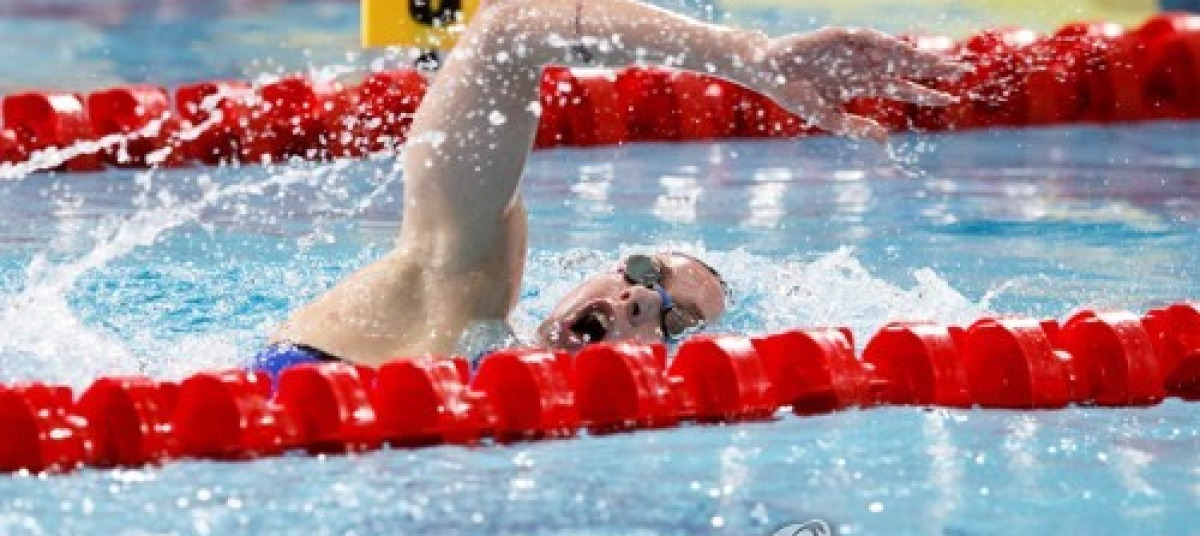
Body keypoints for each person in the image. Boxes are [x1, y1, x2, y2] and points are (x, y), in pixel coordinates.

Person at [253, 0, 964, 378]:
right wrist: (752, 57)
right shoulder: (459, 279)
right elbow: (506, 30)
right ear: (581, 276)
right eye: (642, 272)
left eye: (673, 319)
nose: (635, 297)